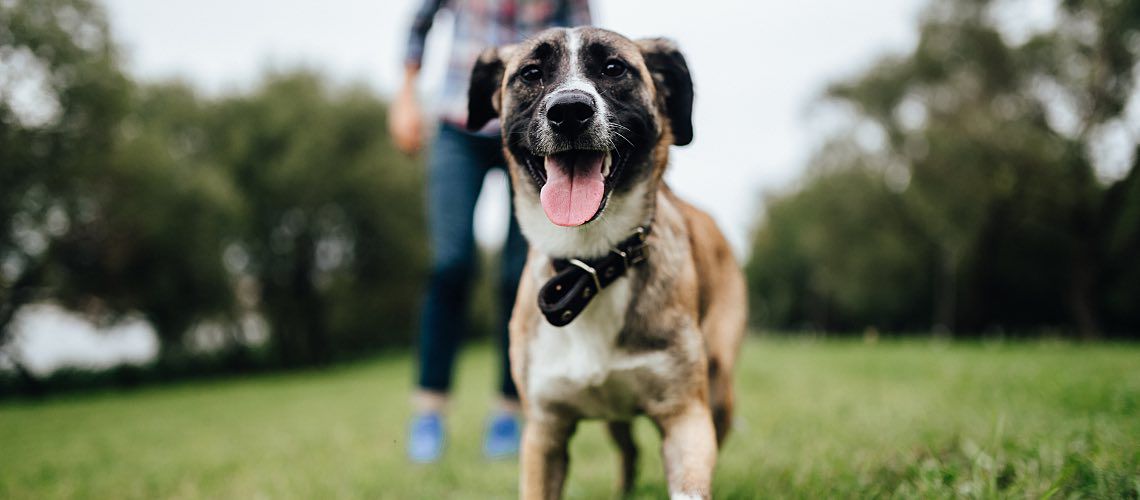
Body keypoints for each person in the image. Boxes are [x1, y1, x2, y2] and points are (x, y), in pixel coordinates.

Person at [390, 0, 593, 463]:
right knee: (450, 264)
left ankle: (506, 408)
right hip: (458, 123)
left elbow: (584, 40)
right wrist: (406, 94)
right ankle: (429, 410)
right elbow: (420, 21)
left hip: (535, 125)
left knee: (517, 275)